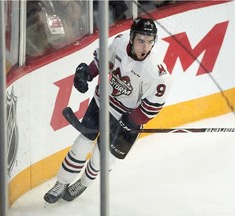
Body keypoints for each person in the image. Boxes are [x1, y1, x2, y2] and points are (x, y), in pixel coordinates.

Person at [44, 17, 172, 204]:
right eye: (141, 41)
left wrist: (131, 121)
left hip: (125, 118)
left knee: (100, 159)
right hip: (101, 103)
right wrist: (86, 74)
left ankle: (84, 183)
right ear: (131, 38)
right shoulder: (119, 43)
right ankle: (61, 183)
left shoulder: (157, 73)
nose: (145, 47)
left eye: (150, 41)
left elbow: (152, 107)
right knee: (82, 144)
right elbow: (102, 62)